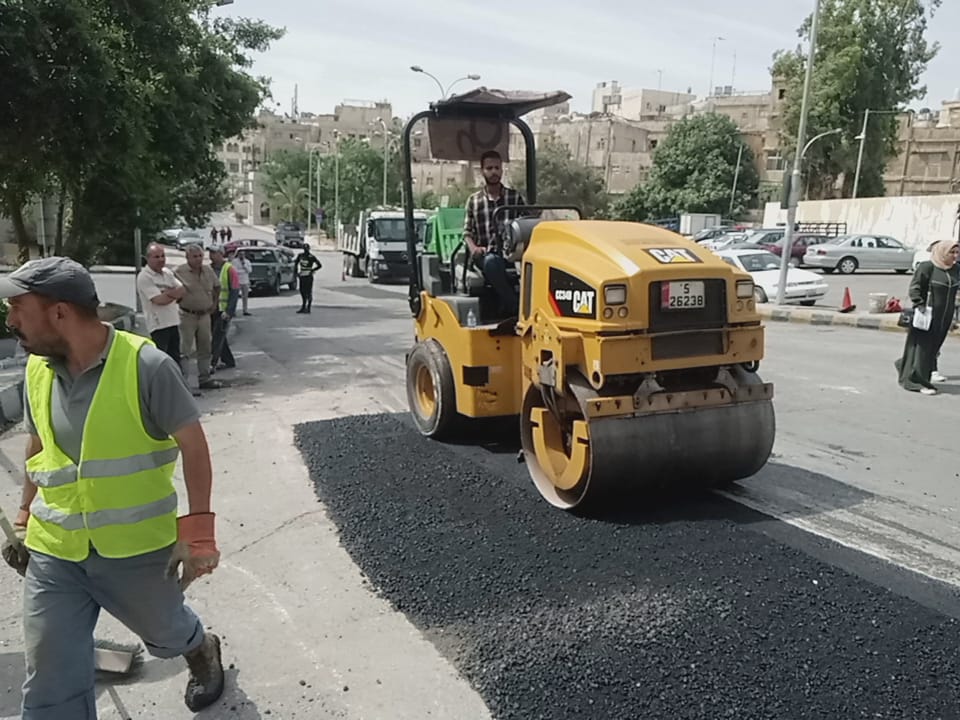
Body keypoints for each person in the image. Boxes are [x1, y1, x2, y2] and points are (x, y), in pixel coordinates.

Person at [0, 256, 225, 718]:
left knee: (167, 634)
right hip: (56, 553)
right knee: (49, 673)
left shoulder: (146, 367)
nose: (9, 320)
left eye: (17, 307)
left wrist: (199, 534)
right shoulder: (37, 371)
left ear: (59, 312)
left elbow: (194, 446)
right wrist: (25, 518)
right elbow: (38, 447)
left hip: (134, 552)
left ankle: (201, 649)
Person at [462, 150, 527, 317]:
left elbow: (525, 224)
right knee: (492, 262)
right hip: (485, 256)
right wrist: (474, 248)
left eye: (497, 168)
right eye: (489, 168)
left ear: (502, 170)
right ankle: (514, 306)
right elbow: (467, 233)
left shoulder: (514, 198)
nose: (493, 172)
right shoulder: (474, 201)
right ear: (482, 171)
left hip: (510, 255)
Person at [895, 240, 960, 395]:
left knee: (933, 348)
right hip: (927, 314)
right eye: (952, 252)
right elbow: (915, 287)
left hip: (945, 317)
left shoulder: (955, 269)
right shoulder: (927, 267)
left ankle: (905, 365)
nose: (955, 256)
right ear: (942, 252)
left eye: (957, 252)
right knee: (923, 348)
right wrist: (919, 305)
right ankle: (917, 382)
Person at [174, 244, 222, 391]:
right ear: (187, 257)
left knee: (205, 347)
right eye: (194, 256)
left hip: (204, 315)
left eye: (200, 256)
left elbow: (217, 286)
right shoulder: (179, 272)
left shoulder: (208, 270)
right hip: (187, 315)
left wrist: (214, 303)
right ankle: (183, 383)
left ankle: (205, 378)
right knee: (185, 350)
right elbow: (170, 289)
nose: (198, 259)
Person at [136, 242, 186, 363]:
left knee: (175, 359)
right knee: (162, 361)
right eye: (156, 257)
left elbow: (182, 290)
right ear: (148, 258)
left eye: (162, 256)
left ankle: (176, 382)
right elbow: (159, 300)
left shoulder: (167, 273)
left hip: (173, 321)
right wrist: (172, 294)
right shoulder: (144, 277)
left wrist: (166, 293)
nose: (161, 259)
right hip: (158, 325)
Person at [209, 246, 238, 372]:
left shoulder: (229, 269)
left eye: (214, 253)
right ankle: (228, 360)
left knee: (217, 337)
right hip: (211, 309)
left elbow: (234, 292)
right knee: (219, 336)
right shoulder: (208, 269)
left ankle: (213, 363)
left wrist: (229, 311)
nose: (211, 255)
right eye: (210, 253)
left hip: (223, 310)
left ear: (221, 254)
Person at [294, 243, 322, 314]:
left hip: (308, 276)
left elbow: (319, 265)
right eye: (304, 249)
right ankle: (303, 306)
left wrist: (312, 270)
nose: (306, 250)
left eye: (307, 249)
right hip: (302, 276)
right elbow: (296, 263)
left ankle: (308, 308)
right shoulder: (300, 256)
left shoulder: (311, 257)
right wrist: (296, 272)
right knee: (302, 291)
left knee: (308, 292)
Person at [233, 249, 253, 316]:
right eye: (240, 254)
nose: (242, 256)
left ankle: (245, 310)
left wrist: (244, 266)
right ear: (238, 255)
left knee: (245, 297)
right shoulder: (235, 261)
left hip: (245, 281)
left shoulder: (247, 261)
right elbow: (235, 271)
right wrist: (243, 271)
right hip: (237, 281)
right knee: (235, 297)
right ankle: (233, 311)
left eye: (243, 254)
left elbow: (249, 270)